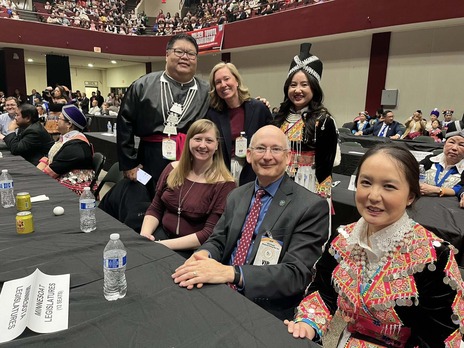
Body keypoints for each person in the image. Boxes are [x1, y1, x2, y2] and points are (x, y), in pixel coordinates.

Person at [285, 144, 464, 347]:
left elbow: (440, 336)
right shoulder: (343, 238)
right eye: (366, 182)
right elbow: (322, 291)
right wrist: (307, 324)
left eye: (389, 186)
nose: (373, 196)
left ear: (411, 196)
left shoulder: (433, 256)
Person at [172, 126, 329, 320]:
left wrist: (232, 274)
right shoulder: (237, 195)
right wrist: (204, 254)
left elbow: (295, 274)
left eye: (276, 149)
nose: (267, 156)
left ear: (288, 158)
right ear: (248, 155)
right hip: (219, 290)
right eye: (260, 148)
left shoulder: (311, 207)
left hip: (265, 306)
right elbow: (219, 239)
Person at [117, 33, 210, 196]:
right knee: (149, 199)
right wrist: (129, 163)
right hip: (150, 156)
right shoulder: (143, 85)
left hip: (191, 156)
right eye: (179, 51)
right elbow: (125, 122)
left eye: (191, 54)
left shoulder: (207, 91)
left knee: (186, 200)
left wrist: (256, 103)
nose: (185, 57)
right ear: (167, 55)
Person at [140, 119, 236, 253]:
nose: (202, 145)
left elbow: (208, 233)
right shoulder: (172, 168)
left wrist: (161, 246)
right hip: (160, 236)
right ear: (189, 141)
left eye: (209, 140)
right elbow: (156, 208)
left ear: (217, 145)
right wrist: (145, 236)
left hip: (192, 250)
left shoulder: (225, 184)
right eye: (197, 139)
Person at [273, 43, 338, 198]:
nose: (297, 90)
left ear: (314, 89)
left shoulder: (323, 122)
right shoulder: (279, 117)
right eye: (293, 85)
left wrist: (321, 198)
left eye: (304, 85)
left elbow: (325, 166)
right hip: (278, 179)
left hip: (308, 182)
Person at [206, 62, 273, 185]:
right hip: (223, 173)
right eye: (218, 82)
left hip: (254, 171)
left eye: (226, 79)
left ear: (236, 81)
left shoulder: (258, 108)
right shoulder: (212, 115)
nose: (223, 85)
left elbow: (272, 138)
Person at [37, 105, 94, 194]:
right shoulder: (66, 139)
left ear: (69, 124)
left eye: (59, 119)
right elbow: (50, 158)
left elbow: (51, 172)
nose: (56, 121)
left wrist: (37, 173)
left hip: (75, 190)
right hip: (63, 179)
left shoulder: (76, 146)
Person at [419, 130, 464, 198]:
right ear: (444, 144)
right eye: (451, 142)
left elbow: (460, 189)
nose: (454, 148)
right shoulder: (430, 160)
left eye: (461, 145)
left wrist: (437, 190)